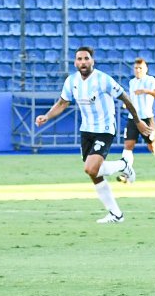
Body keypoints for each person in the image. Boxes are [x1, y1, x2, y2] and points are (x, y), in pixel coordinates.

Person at [34, 46, 148, 224]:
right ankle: (116, 214)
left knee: (90, 168)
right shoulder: (71, 81)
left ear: (92, 61)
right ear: (75, 62)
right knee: (94, 173)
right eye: (79, 59)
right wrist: (47, 116)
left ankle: (123, 164)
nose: (83, 62)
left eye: (86, 58)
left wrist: (138, 121)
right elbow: (63, 102)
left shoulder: (103, 80)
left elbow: (125, 97)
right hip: (86, 130)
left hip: (104, 129)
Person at [120, 57, 155, 183]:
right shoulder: (132, 82)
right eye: (136, 68)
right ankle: (126, 174)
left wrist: (146, 91)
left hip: (147, 118)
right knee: (128, 145)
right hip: (133, 118)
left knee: (152, 146)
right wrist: (127, 104)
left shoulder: (150, 81)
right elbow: (132, 98)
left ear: (146, 69)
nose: (138, 70)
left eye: (140, 68)